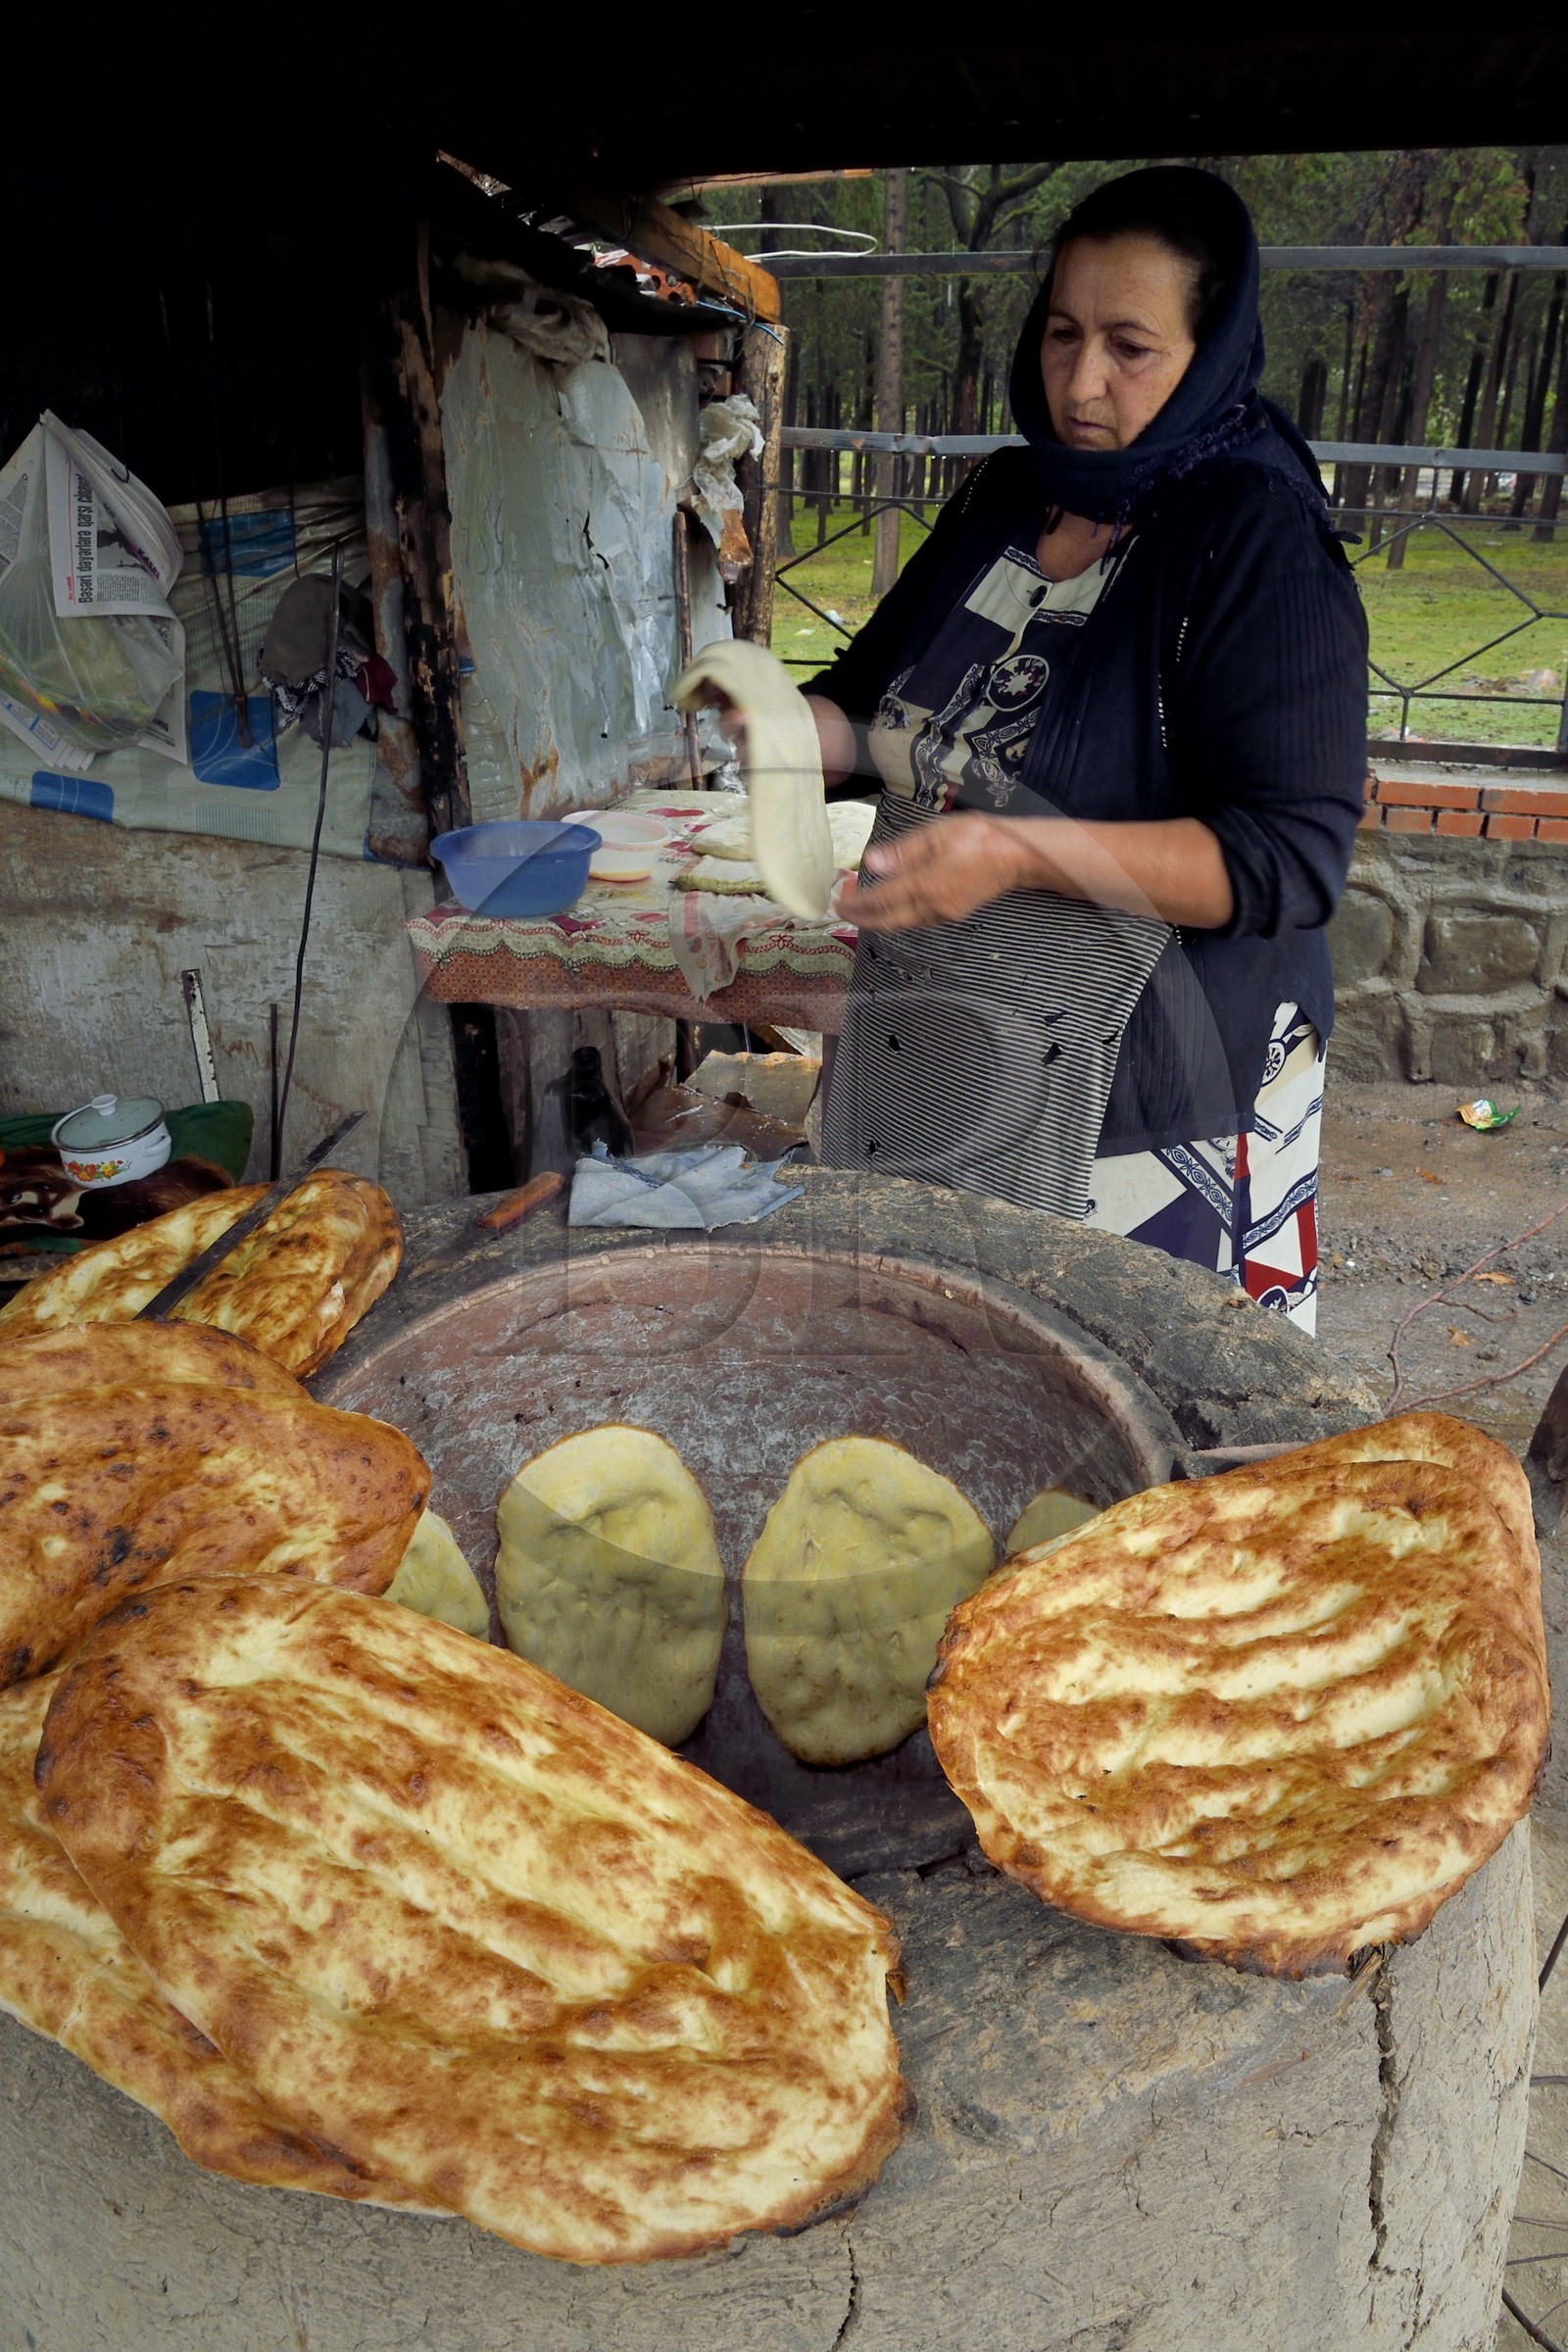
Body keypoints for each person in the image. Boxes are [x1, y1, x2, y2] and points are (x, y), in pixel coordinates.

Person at [806, 167, 1367, 1335]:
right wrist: (762, 724)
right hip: (941, 1033)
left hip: (1155, 1088)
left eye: (1130, 346)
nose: (1078, 383)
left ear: (1209, 350)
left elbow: (1286, 862)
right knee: (940, 1372)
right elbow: (866, 711)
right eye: (1062, 335)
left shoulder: (1252, 537)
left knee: (1120, 1431)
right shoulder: (1012, 497)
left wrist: (1016, 852)